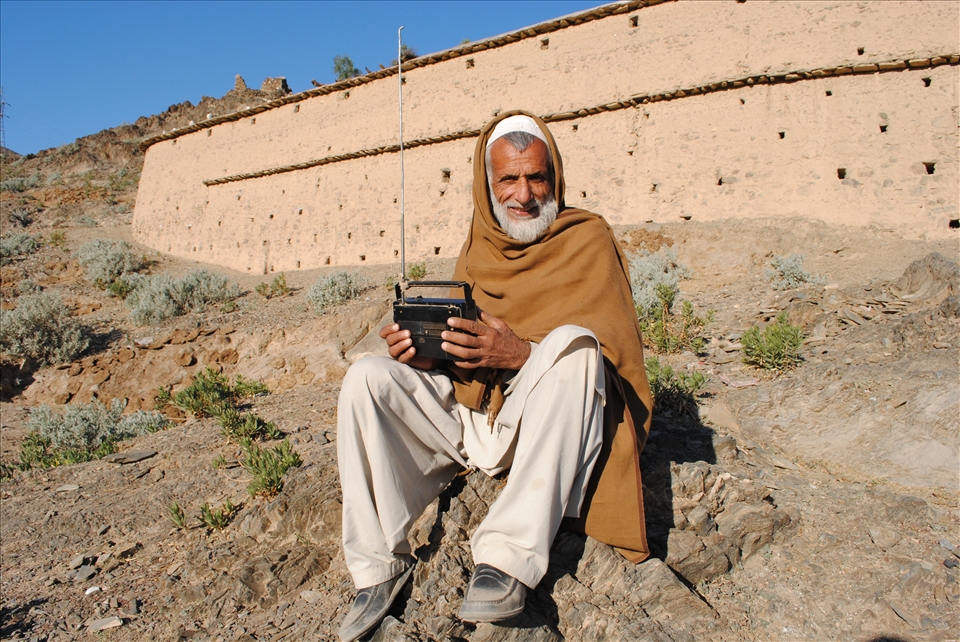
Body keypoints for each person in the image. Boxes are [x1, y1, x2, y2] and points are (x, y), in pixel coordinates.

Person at [336, 111, 653, 642]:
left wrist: (522, 352)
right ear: (488, 185)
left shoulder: (587, 237)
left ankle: (504, 559)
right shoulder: (480, 243)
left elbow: (617, 358)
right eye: (509, 179)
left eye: (537, 177)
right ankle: (376, 569)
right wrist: (426, 355)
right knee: (367, 376)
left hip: (547, 417)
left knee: (577, 348)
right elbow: (464, 351)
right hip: (473, 414)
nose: (524, 195)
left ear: (555, 178)